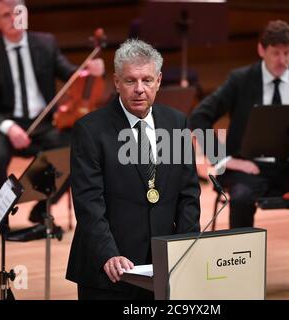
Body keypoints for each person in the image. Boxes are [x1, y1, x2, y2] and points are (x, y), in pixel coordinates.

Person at [189, 20, 289, 298]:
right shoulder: (241, 80)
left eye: (287, 53)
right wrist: (225, 160)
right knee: (242, 198)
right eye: (276, 53)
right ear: (261, 50)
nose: (282, 60)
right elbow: (199, 117)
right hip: (249, 167)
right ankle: (243, 272)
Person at [66, 39, 201, 300]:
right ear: (116, 82)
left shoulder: (176, 123)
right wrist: (108, 254)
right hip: (109, 270)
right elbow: (89, 202)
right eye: (130, 81)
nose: (139, 89)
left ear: (159, 81)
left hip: (164, 268)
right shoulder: (90, 130)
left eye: (147, 80)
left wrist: (182, 249)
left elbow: (189, 195)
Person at [0, 0, 105, 226]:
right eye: (7, 14)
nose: (15, 18)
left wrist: (90, 72)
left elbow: (71, 77)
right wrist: (10, 128)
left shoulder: (46, 43)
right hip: (5, 124)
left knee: (77, 152)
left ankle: (41, 207)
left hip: (44, 122)